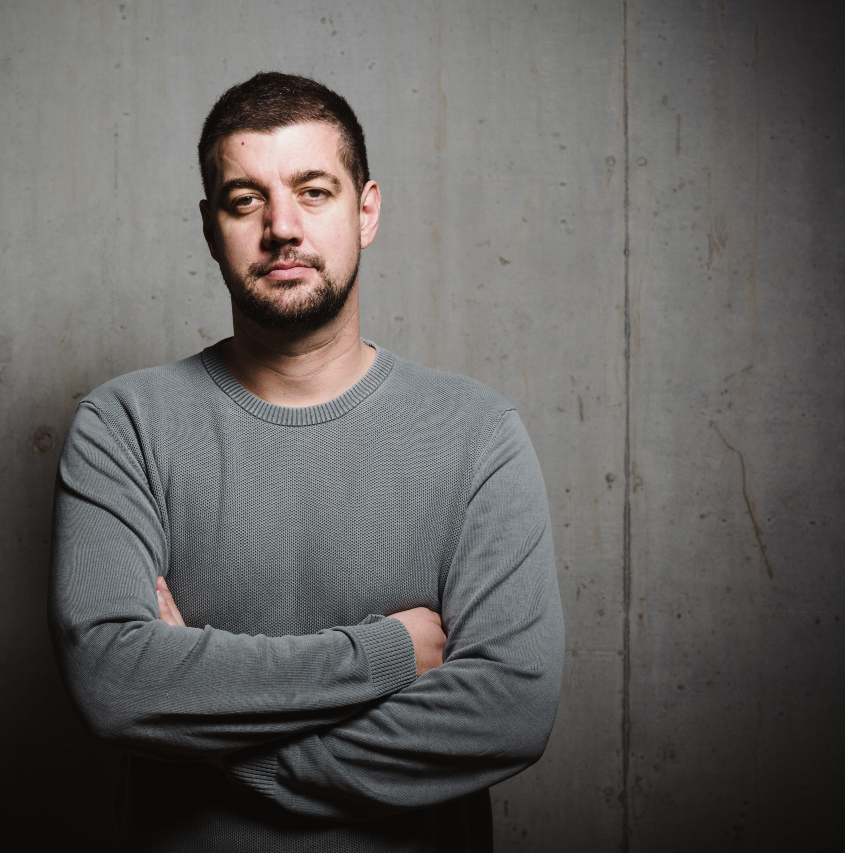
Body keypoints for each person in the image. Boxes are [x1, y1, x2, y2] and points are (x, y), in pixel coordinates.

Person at [49, 71, 564, 853]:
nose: (282, 227)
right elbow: (114, 683)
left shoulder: (476, 434)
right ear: (209, 226)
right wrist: (389, 651)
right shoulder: (125, 426)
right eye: (245, 200)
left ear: (366, 211)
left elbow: (510, 710)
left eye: (314, 192)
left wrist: (228, 750)